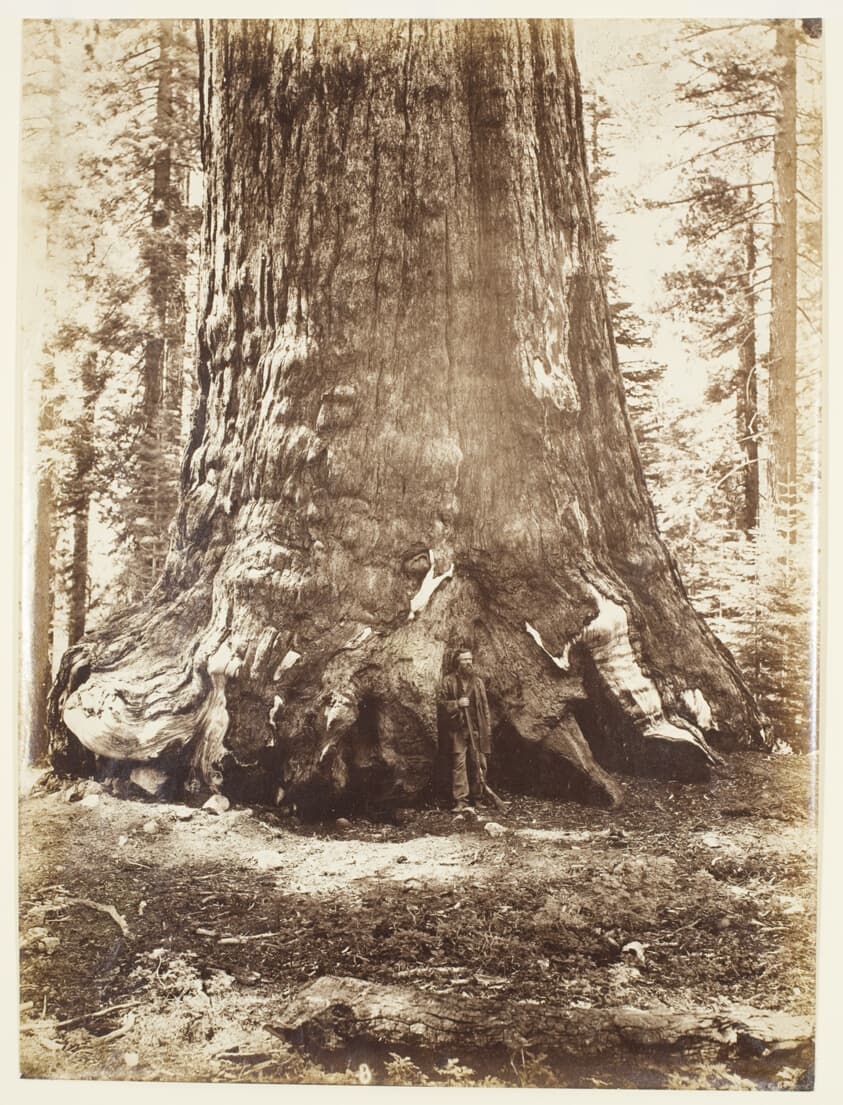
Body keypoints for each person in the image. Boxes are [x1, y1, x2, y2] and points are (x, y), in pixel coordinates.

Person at [441, 648, 491, 812]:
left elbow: (485, 708)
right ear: (457, 662)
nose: (468, 662)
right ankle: (461, 801)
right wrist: (456, 704)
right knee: (459, 764)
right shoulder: (448, 681)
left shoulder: (478, 682)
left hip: (476, 730)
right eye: (464, 659)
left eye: (470, 659)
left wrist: (487, 730)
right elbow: (440, 704)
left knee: (479, 763)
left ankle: (478, 798)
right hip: (458, 731)